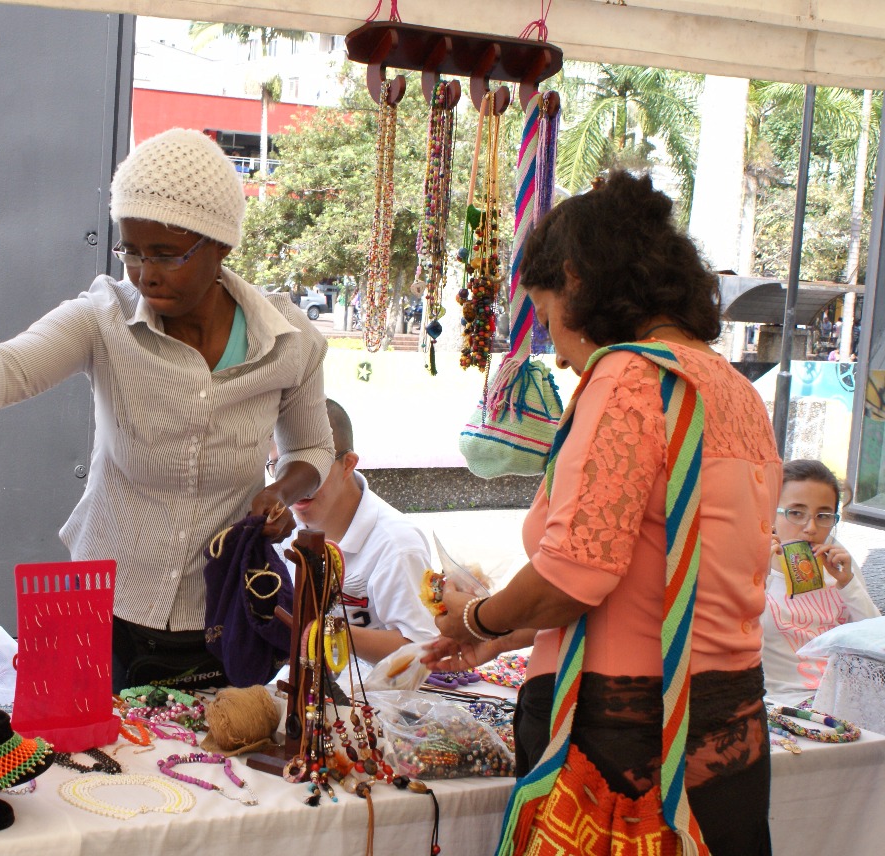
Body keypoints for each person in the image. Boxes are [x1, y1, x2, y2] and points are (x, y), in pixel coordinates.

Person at [0, 128, 334, 691]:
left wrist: (282, 489)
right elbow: (15, 364)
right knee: (88, 766)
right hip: (101, 611)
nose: (146, 272)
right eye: (132, 249)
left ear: (221, 245)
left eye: (167, 254)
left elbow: (312, 448)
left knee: (213, 769)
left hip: (223, 619)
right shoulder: (105, 317)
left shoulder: (289, 340)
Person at [424, 171, 780, 853]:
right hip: (728, 730)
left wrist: (476, 617)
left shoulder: (629, 377)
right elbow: (657, 580)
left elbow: (570, 579)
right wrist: (505, 638)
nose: (555, 347)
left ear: (577, 281)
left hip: (624, 749)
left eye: (548, 312)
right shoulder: (734, 390)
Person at [278, 399, 436, 665]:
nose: (295, 485)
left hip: (372, 700)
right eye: (279, 467)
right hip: (292, 686)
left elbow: (421, 649)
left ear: (348, 464)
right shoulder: (278, 533)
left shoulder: (397, 544)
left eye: (312, 470)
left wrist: (324, 632)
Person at [761, 460, 879, 706]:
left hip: (845, 696)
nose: (811, 528)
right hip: (783, 701)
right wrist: (761, 576)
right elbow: (740, 646)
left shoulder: (840, 563)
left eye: (823, 516)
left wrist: (847, 583)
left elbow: (875, 641)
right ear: (770, 512)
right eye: (796, 513)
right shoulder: (750, 565)